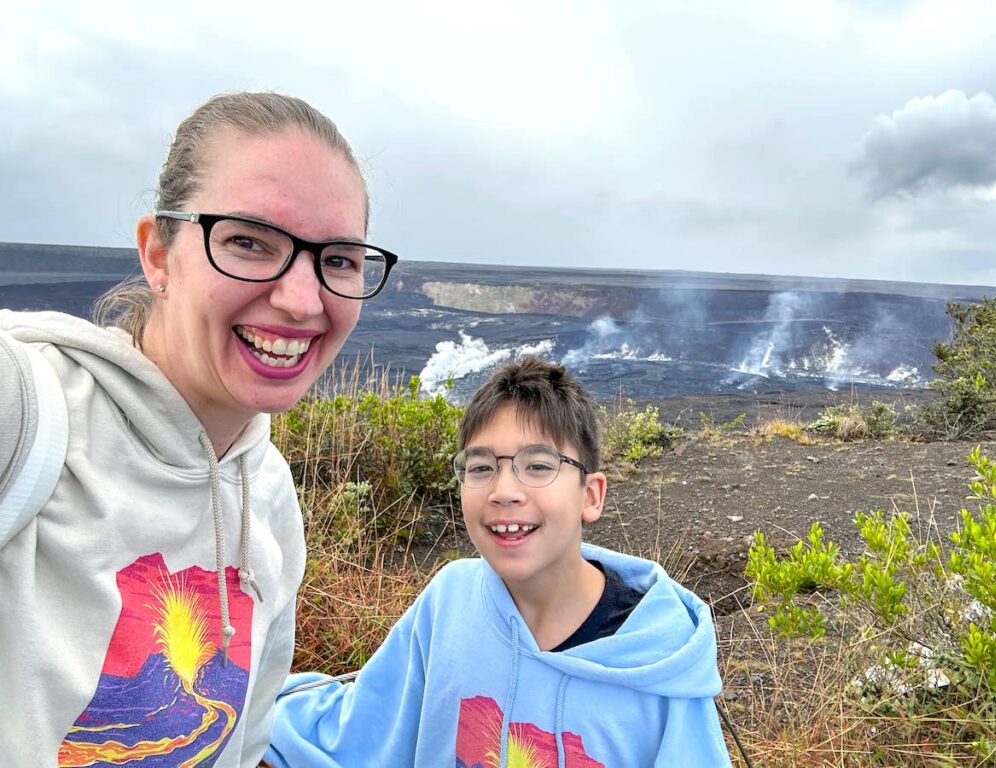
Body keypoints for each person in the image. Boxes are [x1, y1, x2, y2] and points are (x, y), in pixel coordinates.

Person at [0, 91, 398, 766]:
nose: (301, 301)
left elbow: (244, 744)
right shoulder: (27, 411)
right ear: (158, 253)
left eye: (338, 260)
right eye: (247, 241)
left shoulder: (268, 494)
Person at [265, 356, 730, 767]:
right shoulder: (449, 602)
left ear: (591, 495)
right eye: (481, 467)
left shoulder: (660, 669)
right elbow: (362, 729)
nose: (503, 491)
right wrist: (252, 698)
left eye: (539, 465)